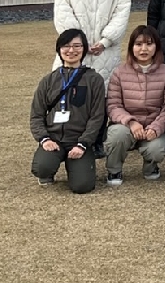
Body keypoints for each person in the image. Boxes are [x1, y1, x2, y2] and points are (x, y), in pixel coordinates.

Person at [29, 29, 107, 192]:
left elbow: (97, 117)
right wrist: (44, 139)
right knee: (42, 167)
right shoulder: (48, 80)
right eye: (66, 46)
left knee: (82, 186)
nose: (71, 50)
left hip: (79, 140)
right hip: (54, 139)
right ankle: (48, 169)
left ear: (84, 49)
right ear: (59, 49)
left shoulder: (94, 80)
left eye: (77, 46)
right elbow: (37, 115)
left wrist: (83, 143)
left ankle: (78, 165)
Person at [103, 25, 165, 186]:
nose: (144, 49)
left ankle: (151, 167)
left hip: (153, 124)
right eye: (138, 44)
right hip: (125, 125)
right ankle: (114, 169)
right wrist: (131, 122)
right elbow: (113, 105)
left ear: (156, 46)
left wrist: (156, 128)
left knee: (157, 148)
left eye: (149, 44)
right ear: (131, 47)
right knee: (117, 136)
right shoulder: (119, 72)